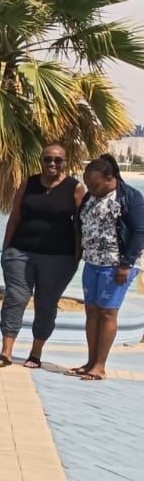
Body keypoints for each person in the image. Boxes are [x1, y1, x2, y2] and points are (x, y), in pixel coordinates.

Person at [0, 144, 84, 369]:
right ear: (41, 160)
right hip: (20, 251)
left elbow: (79, 225)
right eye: (47, 159)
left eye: (58, 160)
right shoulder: (28, 183)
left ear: (65, 162)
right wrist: (7, 248)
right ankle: (6, 352)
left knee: (46, 303)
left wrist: (77, 254)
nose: (52, 163)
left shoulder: (75, 188)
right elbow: (15, 215)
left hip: (59, 257)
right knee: (16, 298)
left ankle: (35, 353)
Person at [68, 154, 144, 381]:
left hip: (117, 265)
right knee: (91, 311)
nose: (90, 189)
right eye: (88, 184)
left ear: (110, 179)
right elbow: (81, 224)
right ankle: (90, 362)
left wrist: (125, 265)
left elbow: (140, 232)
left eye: (94, 184)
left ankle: (100, 366)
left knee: (108, 312)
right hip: (93, 262)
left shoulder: (130, 197)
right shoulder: (91, 197)